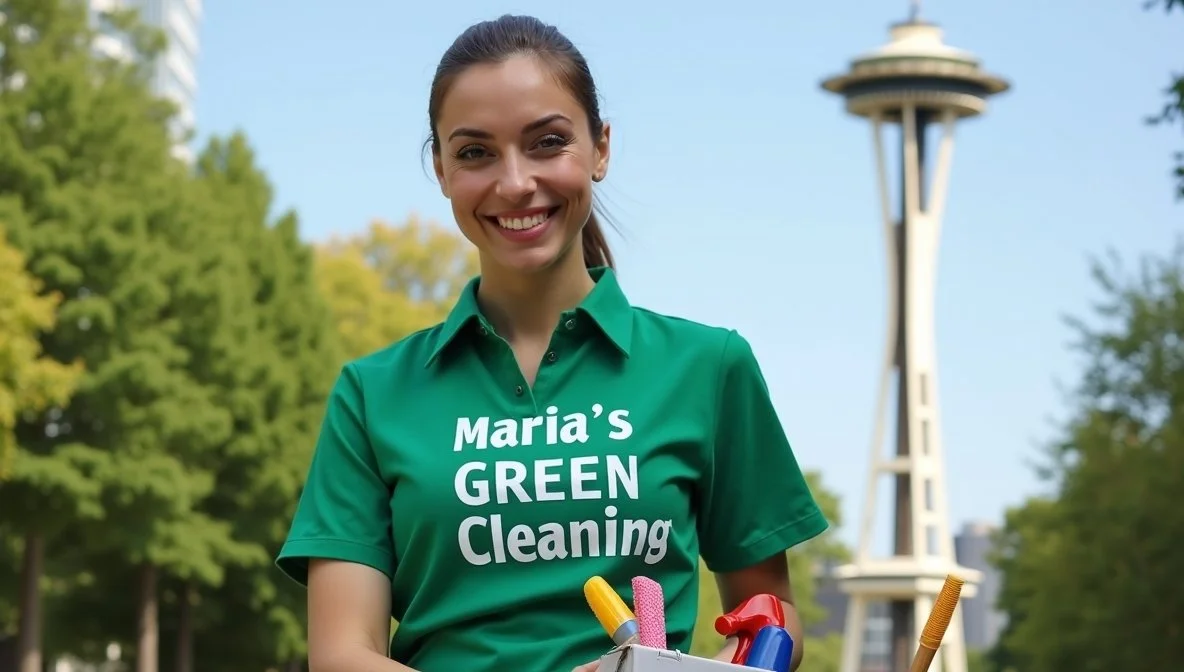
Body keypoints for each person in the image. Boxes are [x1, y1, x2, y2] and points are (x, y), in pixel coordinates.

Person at [276, 13, 828, 672]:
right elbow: (341, 654)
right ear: (442, 169)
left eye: (547, 142)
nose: (514, 183)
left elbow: (771, 616)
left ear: (600, 148)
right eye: (476, 152)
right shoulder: (372, 394)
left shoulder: (710, 368)